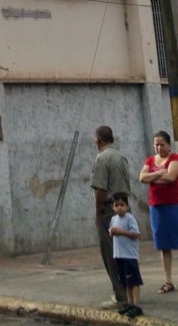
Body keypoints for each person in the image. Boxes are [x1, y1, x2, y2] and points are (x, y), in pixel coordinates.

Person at [91, 125, 130, 307]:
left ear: (98, 140)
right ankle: (131, 290)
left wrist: (98, 212)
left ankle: (120, 294)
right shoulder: (121, 157)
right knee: (126, 252)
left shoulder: (102, 157)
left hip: (108, 210)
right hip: (125, 207)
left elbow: (100, 189)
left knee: (110, 253)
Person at [139, 129, 178, 294]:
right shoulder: (150, 159)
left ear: (169, 144)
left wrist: (153, 177)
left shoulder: (174, 158)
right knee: (164, 245)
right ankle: (168, 281)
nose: (159, 148)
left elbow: (171, 178)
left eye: (162, 144)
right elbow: (141, 178)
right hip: (157, 207)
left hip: (173, 205)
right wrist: (161, 172)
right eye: (156, 145)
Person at [109, 192, 143, 318]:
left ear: (127, 206)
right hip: (119, 255)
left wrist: (121, 232)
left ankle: (137, 305)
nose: (119, 207)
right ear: (113, 207)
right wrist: (111, 232)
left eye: (122, 205)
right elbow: (113, 232)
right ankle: (130, 303)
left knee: (133, 281)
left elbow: (136, 234)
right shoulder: (113, 219)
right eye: (116, 205)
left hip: (129, 256)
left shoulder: (130, 218)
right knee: (126, 282)